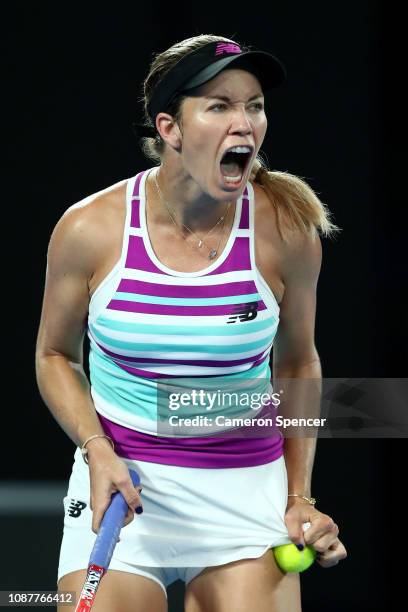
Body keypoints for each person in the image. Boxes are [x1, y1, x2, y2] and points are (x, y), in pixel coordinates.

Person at [35, 34, 347, 612]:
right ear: (170, 129)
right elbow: (55, 356)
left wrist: (299, 495)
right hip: (122, 490)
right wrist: (96, 449)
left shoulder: (287, 231)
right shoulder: (89, 229)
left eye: (254, 106)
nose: (245, 122)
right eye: (220, 105)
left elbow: (298, 361)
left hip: (244, 489)